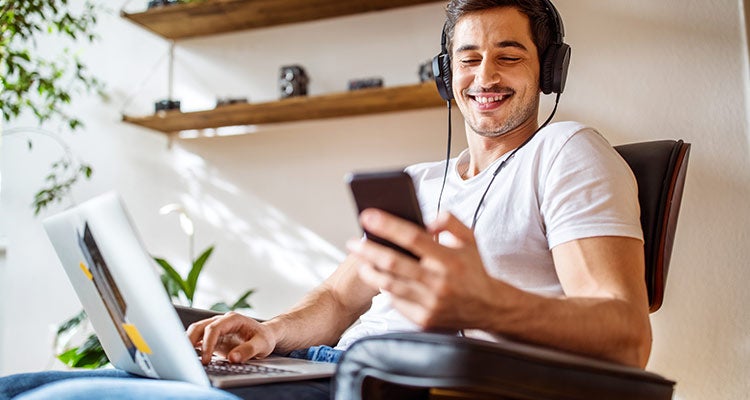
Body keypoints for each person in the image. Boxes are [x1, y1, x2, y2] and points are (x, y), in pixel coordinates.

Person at [0, 0, 651, 399]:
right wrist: (271, 332)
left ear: (550, 69)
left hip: (401, 386)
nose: (484, 76)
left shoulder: (567, 153)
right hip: (324, 367)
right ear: (444, 74)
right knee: (25, 388)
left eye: (508, 55)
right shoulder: (421, 181)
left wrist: (488, 303)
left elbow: (627, 336)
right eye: (468, 58)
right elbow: (342, 298)